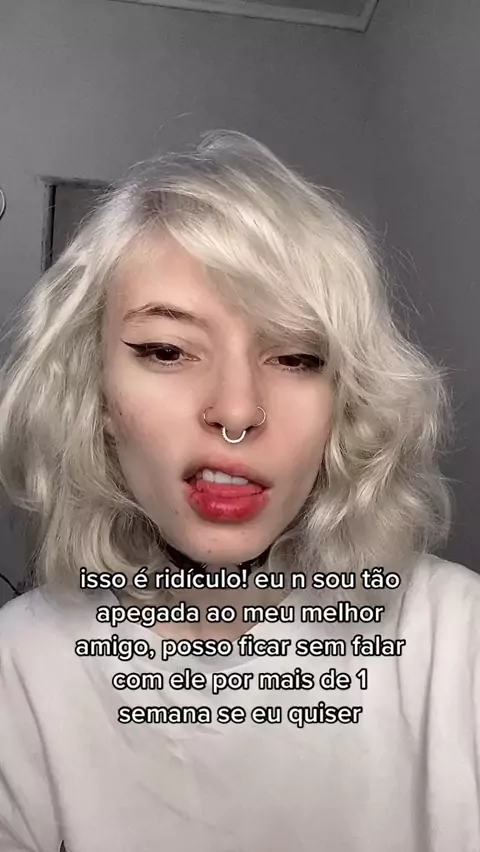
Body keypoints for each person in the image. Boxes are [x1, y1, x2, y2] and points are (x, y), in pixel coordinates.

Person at [0, 129, 478, 852]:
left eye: (296, 356)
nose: (236, 411)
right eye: (167, 350)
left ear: (346, 399)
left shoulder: (457, 638)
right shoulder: (22, 665)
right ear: (95, 394)